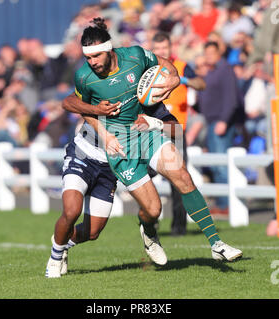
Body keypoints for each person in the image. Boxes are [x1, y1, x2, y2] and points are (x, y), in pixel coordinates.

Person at [46, 17, 242, 277]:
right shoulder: (85, 76)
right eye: (88, 58)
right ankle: (147, 232)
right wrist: (98, 116)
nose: (92, 63)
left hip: (146, 136)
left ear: (109, 48)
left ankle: (216, 243)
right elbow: (71, 103)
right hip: (119, 149)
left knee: (182, 175)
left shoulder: (136, 58)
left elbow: (165, 72)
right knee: (152, 210)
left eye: (95, 57)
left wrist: (173, 79)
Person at [151, 31, 206, 236]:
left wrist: (184, 80)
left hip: (176, 131)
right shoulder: (146, 70)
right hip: (152, 129)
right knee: (144, 177)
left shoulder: (181, 66)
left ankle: (179, 228)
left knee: (179, 181)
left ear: (170, 48)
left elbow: (202, 84)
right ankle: (149, 219)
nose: (161, 52)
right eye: (157, 49)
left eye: (164, 48)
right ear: (152, 50)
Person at [197, 41, 241, 213]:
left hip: (220, 123)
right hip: (212, 122)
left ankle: (227, 205)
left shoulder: (225, 70)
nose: (209, 57)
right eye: (206, 54)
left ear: (219, 53)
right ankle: (223, 203)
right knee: (216, 164)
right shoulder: (213, 71)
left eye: (211, 53)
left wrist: (224, 120)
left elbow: (231, 99)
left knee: (222, 165)